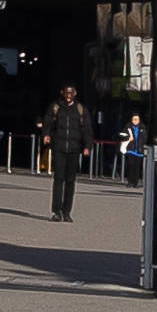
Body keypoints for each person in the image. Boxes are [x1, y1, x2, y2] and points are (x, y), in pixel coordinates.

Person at [36, 85, 95, 221]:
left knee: (70, 181)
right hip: (59, 147)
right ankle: (56, 211)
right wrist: (46, 134)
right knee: (58, 179)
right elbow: (48, 122)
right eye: (66, 93)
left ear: (75, 93)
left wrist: (87, 146)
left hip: (74, 148)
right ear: (62, 93)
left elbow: (87, 129)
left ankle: (67, 211)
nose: (69, 95)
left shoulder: (80, 109)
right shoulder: (56, 107)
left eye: (71, 93)